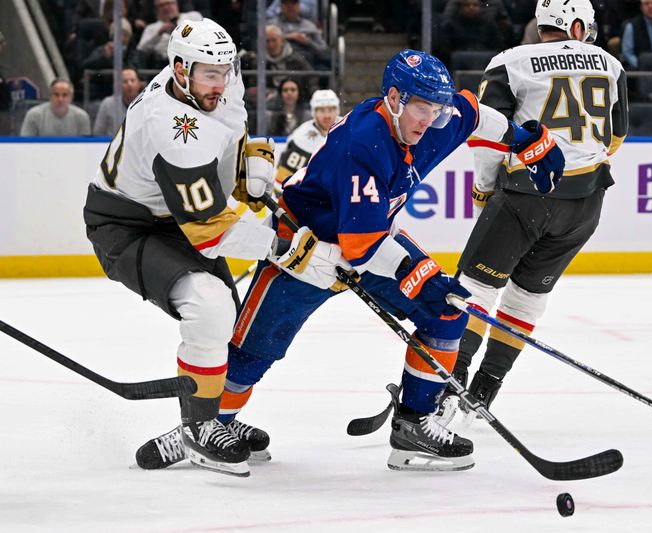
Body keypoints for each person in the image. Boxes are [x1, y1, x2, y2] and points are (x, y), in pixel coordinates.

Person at [137, 49, 566, 472]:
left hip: (370, 239)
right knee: (252, 355)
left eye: (437, 109)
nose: (430, 120)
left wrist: (528, 140)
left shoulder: (436, 117)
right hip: (306, 251)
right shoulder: (361, 144)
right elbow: (362, 246)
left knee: (445, 312)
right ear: (394, 99)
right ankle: (205, 427)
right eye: (421, 109)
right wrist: (422, 275)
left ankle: (412, 427)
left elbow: (474, 114)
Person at [83, 18, 344, 477]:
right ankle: (199, 429)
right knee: (209, 306)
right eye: (210, 74)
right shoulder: (170, 126)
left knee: (229, 318)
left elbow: (232, 124)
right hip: (126, 225)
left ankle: (214, 417)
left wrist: (251, 160)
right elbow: (208, 227)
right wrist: (282, 246)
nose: (221, 83)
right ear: (180, 69)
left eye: (226, 71)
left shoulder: (218, 76)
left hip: (174, 216)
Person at [447, 0, 628, 417]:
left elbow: (488, 137)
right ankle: (484, 392)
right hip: (586, 205)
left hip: (526, 197)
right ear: (578, 25)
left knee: (475, 290)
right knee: (527, 299)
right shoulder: (610, 64)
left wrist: (483, 190)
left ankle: (446, 391)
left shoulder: (511, 62)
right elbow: (616, 137)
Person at [275, 89, 340, 190]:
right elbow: (283, 180)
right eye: (322, 110)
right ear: (314, 112)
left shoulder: (350, 129)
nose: (327, 116)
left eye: (331, 110)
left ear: (337, 111)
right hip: (312, 199)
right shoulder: (299, 138)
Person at [136, 0, 202, 66]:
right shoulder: (151, 28)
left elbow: (202, 34)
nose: (166, 7)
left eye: (168, 3)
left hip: (192, 58)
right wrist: (159, 33)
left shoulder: (193, 17)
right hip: (163, 64)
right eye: (161, 5)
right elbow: (141, 49)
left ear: (176, 4)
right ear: (156, 9)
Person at [20, 79, 91, 137]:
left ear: (71, 97)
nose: (60, 99)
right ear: (50, 96)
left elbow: (85, 146)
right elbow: (25, 144)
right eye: (56, 95)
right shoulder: (34, 115)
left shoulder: (82, 117)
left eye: (65, 95)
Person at [93, 67, 144, 136]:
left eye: (132, 80)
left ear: (139, 83)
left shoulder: (147, 103)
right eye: (125, 81)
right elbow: (98, 134)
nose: (129, 84)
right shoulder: (107, 104)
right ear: (118, 85)